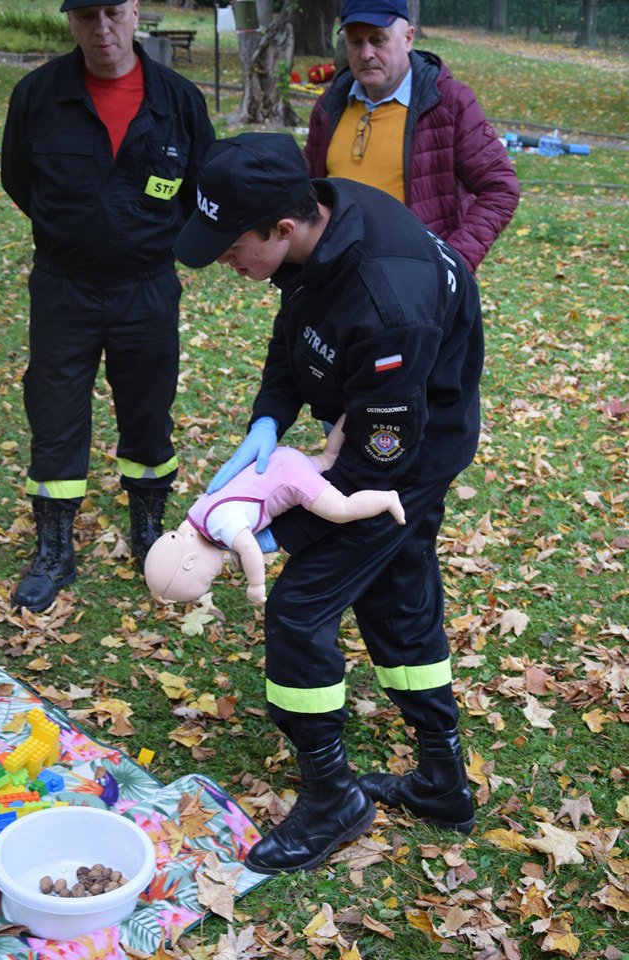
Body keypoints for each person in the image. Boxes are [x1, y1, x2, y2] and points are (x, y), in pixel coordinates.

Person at [174, 131, 483, 875]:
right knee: (396, 598)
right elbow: (295, 333)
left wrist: (272, 521)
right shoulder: (327, 222)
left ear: (283, 227)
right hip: (380, 430)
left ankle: (331, 797)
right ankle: (442, 782)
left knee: (299, 611)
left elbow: (376, 464)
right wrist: (269, 418)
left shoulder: (386, 303)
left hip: (400, 460)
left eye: (229, 245)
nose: (224, 259)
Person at [0, 0, 215, 613]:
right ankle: (54, 549)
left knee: (148, 411)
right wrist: (75, 231)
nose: (102, 29)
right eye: (86, 15)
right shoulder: (39, 96)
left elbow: (204, 185)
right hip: (64, 285)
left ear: (135, 11)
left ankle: (149, 529)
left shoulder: (177, 100)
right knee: (55, 411)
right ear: (70, 20)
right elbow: (20, 180)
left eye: (113, 12)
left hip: (146, 285)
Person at [304, 0, 520, 274]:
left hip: (415, 284)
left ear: (408, 38)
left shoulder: (449, 103)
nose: (366, 53)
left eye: (378, 39)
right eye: (355, 42)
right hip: (338, 281)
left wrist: (452, 263)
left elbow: (500, 188)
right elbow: (310, 191)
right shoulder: (329, 106)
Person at [144, 415, 405, 605]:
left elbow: (249, 549)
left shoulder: (221, 525)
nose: (213, 578)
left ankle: (387, 499)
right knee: (328, 458)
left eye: (206, 580)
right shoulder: (197, 519)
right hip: (279, 463)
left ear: (190, 562)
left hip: (289, 479)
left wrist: (256, 585)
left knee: (340, 508)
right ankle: (350, 413)